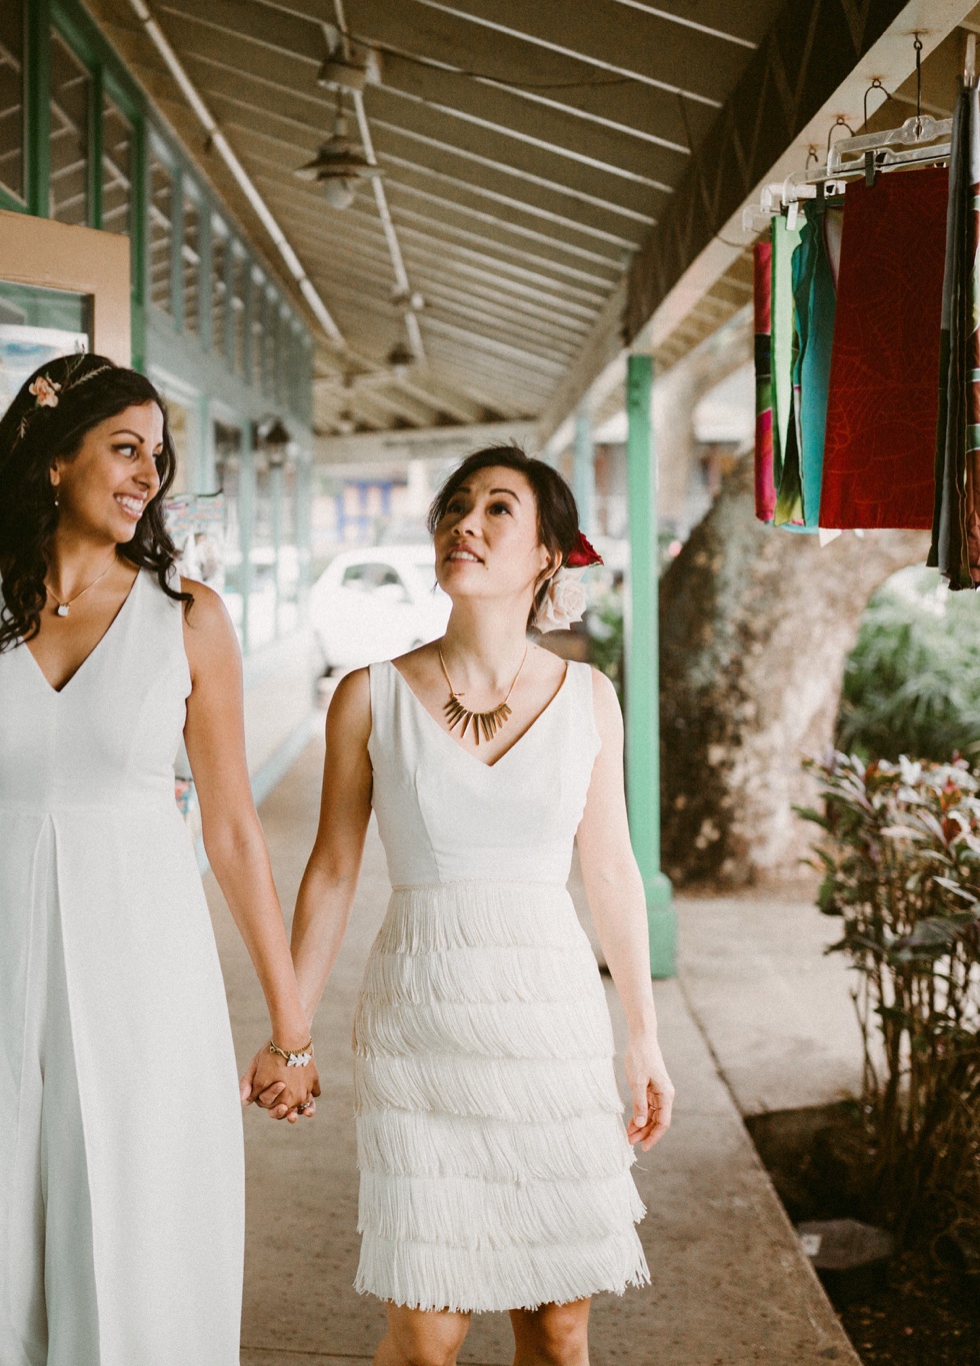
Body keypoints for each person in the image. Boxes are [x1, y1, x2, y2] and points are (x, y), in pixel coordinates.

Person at [0, 352, 318, 1365]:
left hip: (145, 981)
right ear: (52, 459)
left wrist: (290, 1025)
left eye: (157, 455)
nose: (148, 474)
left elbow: (235, 828)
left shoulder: (188, 619)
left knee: (139, 1240)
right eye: (124, 448)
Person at [285, 446, 673, 1366]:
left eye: (499, 508)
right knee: (425, 1333)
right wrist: (289, 1030)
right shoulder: (366, 696)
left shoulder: (589, 699)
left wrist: (642, 1035)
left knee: (556, 1324)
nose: (466, 521)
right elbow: (332, 872)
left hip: (549, 1028)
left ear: (547, 555)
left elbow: (610, 871)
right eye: (456, 505)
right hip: (419, 1031)